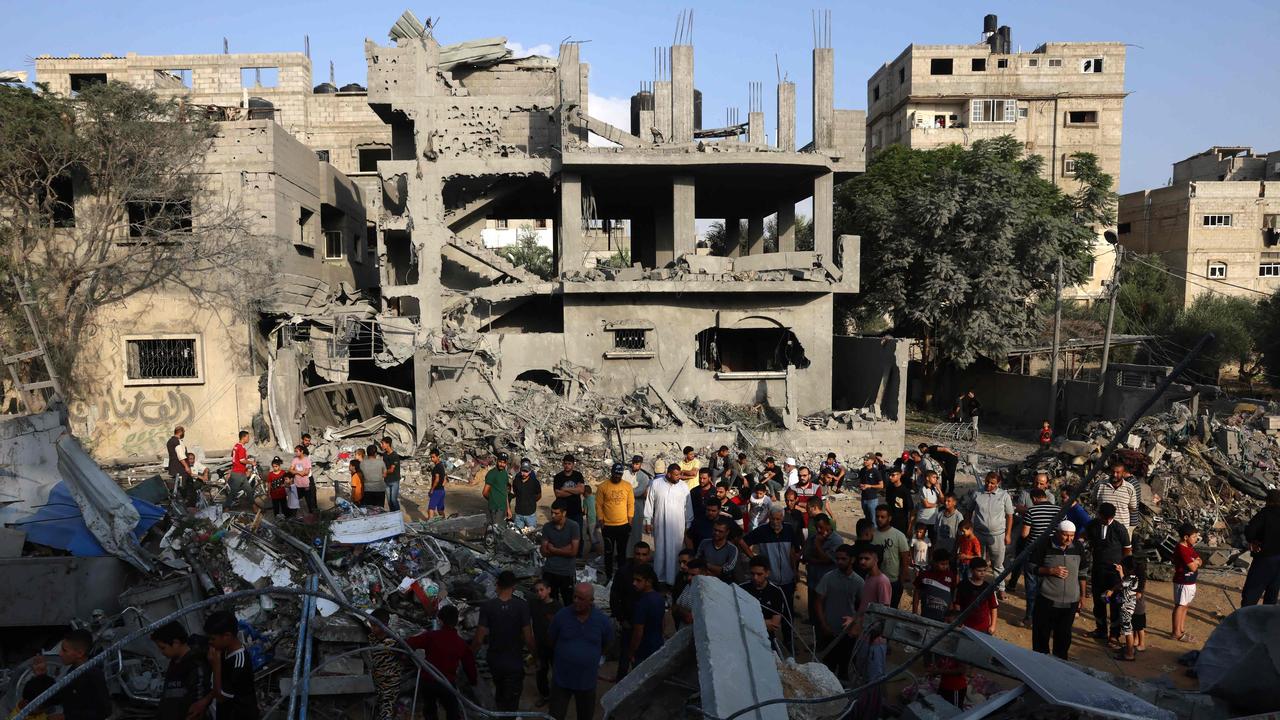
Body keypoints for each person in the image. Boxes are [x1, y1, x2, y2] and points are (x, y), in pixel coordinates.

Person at [548, 583, 613, 720]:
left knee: (585, 715)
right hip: (562, 680)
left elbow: (607, 644)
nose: (576, 601)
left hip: (586, 681)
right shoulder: (562, 616)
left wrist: (592, 657)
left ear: (591, 600)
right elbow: (551, 640)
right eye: (575, 597)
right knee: (555, 715)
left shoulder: (602, 621)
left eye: (581, 598)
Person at [474, 571, 534, 712]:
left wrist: (469, 657)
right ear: (514, 586)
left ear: (498, 585)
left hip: (494, 661)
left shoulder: (488, 606)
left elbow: (478, 639)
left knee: (500, 694)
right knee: (512, 701)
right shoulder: (522, 606)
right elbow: (529, 638)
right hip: (514, 662)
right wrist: (536, 657)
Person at [739, 507, 802, 641]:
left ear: (783, 518)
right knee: (768, 611)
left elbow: (793, 551)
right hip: (769, 581)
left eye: (778, 519)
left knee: (788, 612)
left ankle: (788, 641)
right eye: (773, 518)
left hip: (787, 579)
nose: (775, 521)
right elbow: (742, 542)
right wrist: (754, 559)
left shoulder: (789, 530)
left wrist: (795, 571)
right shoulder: (762, 531)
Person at [407, 605, 477, 720]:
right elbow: (470, 666)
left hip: (428, 681)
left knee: (430, 711)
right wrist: (473, 681)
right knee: (452, 711)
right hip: (447, 684)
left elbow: (410, 643)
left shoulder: (431, 636)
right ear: (456, 622)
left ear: (440, 621)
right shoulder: (461, 643)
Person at [1030, 520, 1087, 660]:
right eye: (1065, 535)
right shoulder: (1044, 545)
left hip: (1070, 602)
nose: (1069, 539)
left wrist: (1082, 595)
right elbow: (1031, 567)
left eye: (1072, 535)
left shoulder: (1078, 547)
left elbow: (1083, 572)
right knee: (1041, 635)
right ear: (1057, 533)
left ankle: (1060, 666)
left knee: (1063, 637)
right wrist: (1049, 570)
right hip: (1046, 599)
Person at [29, 628, 111, 720]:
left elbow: (104, 711)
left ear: (79, 653)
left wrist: (66, 717)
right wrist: (41, 676)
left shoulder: (94, 675)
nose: (60, 653)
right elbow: (60, 696)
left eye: (64, 650)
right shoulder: (73, 671)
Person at [1083, 502, 1131, 643]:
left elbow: (1127, 550)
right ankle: (1101, 630)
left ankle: (1114, 634)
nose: (1104, 519)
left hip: (1114, 574)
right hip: (1098, 570)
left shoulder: (1119, 529)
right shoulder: (1093, 525)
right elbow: (1084, 535)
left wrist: (1123, 568)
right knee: (1099, 602)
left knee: (1115, 603)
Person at [853, 544, 892, 716]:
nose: (862, 561)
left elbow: (884, 614)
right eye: (860, 558)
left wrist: (872, 636)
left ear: (876, 559)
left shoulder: (882, 581)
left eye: (866, 558)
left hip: (874, 640)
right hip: (864, 635)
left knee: (873, 681)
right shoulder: (868, 578)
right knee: (863, 677)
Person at [815, 545, 864, 676]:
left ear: (852, 560)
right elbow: (818, 602)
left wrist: (856, 625)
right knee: (827, 670)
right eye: (837, 559)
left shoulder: (859, 582)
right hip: (829, 631)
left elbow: (864, 607)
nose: (840, 561)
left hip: (847, 634)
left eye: (844, 559)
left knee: (845, 669)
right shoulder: (828, 577)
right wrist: (824, 625)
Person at [963, 472, 1014, 598]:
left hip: (998, 535)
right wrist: (969, 529)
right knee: (977, 561)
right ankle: (974, 585)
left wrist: (1008, 534)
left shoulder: (1004, 495)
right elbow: (969, 510)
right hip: (979, 534)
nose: (989, 485)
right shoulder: (977, 494)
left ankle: (1000, 588)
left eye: (992, 483)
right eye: (987, 482)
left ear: (998, 484)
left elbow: (1010, 515)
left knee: (998, 563)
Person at [203, 610, 260, 719]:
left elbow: (221, 697)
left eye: (212, 639)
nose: (209, 642)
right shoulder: (223, 650)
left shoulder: (239, 664)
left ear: (227, 636)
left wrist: (216, 665)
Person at [644, 463, 693, 586]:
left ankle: (674, 581)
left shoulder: (683, 487)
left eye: (680, 474)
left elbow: (688, 508)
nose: (679, 477)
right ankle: (659, 580)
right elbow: (649, 503)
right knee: (660, 551)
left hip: (678, 527)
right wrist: (647, 521)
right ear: (669, 474)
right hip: (660, 525)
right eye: (676, 475)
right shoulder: (656, 484)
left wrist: (688, 525)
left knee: (676, 552)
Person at [151, 622, 211, 720]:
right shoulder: (174, 662)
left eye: (163, 648)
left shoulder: (195, 664)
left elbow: (197, 705)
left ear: (176, 643)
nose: (161, 652)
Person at [610, 542, 653, 678]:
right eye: (638, 554)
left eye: (644, 555)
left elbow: (655, 593)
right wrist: (621, 619)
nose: (640, 558)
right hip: (628, 622)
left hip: (645, 624)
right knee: (625, 658)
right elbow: (614, 597)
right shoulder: (623, 573)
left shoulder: (650, 572)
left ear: (648, 556)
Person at [1019, 488, 1059, 626]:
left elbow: (1024, 534)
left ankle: (1030, 617)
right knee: (1050, 587)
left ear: (1034, 499)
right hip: (1053, 553)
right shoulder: (1059, 510)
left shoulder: (1031, 511)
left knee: (1032, 586)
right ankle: (1049, 619)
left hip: (1034, 553)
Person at [740, 557, 792, 653]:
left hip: (767, 638)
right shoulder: (741, 589)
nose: (755, 577)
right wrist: (765, 622)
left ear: (767, 573)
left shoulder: (776, 592)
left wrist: (746, 621)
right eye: (752, 574)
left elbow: (774, 625)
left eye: (759, 574)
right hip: (744, 637)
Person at [1242, 489, 1280, 606]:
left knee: (1252, 593)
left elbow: (1250, 531)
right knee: (1272, 594)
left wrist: (1253, 541)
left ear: (1268, 501)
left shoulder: (1265, 514)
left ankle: (1245, 621)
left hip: (1265, 558)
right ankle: (1266, 622)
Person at [597, 462, 634, 581]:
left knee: (622, 553)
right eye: (615, 474)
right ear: (611, 473)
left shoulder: (627, 486)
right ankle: (609, 576)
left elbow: (630, 504)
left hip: (623, 525)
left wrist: (630, 521)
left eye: (620, 474)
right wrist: (601, 522)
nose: (617, 476)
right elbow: (598, 505)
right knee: (608, 552)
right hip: (608, 526)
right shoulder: (603, 487)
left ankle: (621, 576)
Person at [541, 500, 581, 606]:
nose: (553, 516)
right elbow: (544, 551)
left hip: (566, 572)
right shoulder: (547, 527)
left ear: (564, 513)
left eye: (556, 513)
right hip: (550, 571)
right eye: (552, 513)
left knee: (569, 603)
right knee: (550, 604)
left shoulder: (573, 526)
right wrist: (565, 549)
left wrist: (554, 549)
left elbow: (573, 552)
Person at [871, 506, 911, 608]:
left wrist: (902, 579)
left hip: (893, 581)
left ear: (889, 518)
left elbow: (905, 559)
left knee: (891, 610)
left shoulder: (898, 535)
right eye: (877, 516)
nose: (879, 519)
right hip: (875, 579)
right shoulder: (871, 534)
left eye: (882, 517)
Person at [804, 515, 842, 623]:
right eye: (817, 528)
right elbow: (806, 556)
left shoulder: (836, 540)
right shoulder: (813, 537)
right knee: (812, 605)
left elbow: (827, 560)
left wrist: (817, 545)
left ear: (828, 526)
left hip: (826, 581)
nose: (819, 530)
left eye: (821, 527)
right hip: (813, 578)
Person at [529, 580, 560, 707]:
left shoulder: (557, 606)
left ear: (549, 590)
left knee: (557, 672)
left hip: (555, 646)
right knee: (541, 672)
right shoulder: (534, 605)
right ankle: (545, 695)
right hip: (540, 645)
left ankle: (558, 696)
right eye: (537, 591)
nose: (539, 593)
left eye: (542, 590)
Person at [366, 608, 401, 720]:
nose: (372, 628)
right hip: (377, 682)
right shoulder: (372, 638)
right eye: (371, 625)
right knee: (378, 709)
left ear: (384, 625)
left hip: (390, 683)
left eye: (374, 626)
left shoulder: (394, 641)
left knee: (387, 710)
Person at [627, 565, 666, 667]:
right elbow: (663, 623)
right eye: (634, 579)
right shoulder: (659, 598)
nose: (634, 583)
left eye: (638, 580)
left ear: (648, 582)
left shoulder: (642, 603)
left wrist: (631, 652)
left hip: (643, 650)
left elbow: (638, 632)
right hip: (657, 645)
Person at [1171, 522, 1202, 642]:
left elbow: (1200, 560)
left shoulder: (1189, 547)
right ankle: (1176, 632)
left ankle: (1181, 629)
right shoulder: (1181, 549)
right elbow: (1193, 567)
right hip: (1183, 582)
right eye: (1194, 536)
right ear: (1186, 537)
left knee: (1185, 606)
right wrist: (1195, 562)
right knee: (1180, 606)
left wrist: (1195, 562)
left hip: (1189, 582)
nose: (1196, 539)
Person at [1109, 556, 1142, 662]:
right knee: (1129, 629)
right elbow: (1124, 582)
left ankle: (1129, 653)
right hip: (1130, 606)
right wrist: (1121, 571)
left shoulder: (1130, 578)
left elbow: (1121, 584)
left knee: (1128, 631)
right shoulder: (1135, 577)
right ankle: (1129, 650)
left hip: (1126, 607)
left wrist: (1111, 590)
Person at [913, 548, 956, 622]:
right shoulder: (924, 575)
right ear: (934, 562)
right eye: (942, 564)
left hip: (943, 620)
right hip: (925, 617)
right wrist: (914, 612)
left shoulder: (951, 577)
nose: (945, 566)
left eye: (947, 564)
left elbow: (951, 597)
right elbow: (916, 593)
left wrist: (950, 617)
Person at [1096, 460, 1139, 533]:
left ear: (1123, 473)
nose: (1115, 475)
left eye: (1118, 472)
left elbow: (1132, 508)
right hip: (1103, 528)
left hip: (1122, 530)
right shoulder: (1100, 485)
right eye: (1113, 472)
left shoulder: (1130, 488)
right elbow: (1094, 503)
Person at [623, 455, 652, 558]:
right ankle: (623, 555)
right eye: (634, 463)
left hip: (637, 507)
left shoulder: (644, 477)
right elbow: (621, 488)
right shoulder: (625, 473)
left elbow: (640, 492)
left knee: (635, 532)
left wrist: (627, 492)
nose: (635, 465)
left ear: (640, 464)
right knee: (624, 532)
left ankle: (635, 556)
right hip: (624, 507)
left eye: (637, 464)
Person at [553, 454, 587, 538]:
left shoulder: (578, 475)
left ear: (573, 464)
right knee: (564, 536)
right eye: (565, 463)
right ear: (563, 464)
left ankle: (579, 551)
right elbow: (558, 493)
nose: (567, 466)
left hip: (577, 512)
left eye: (569, 463)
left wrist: (565, 489)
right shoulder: (558, 477)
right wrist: (575, 490)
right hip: (563, 512)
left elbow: (581, 490)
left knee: (578, 536)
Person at [697, 519, 740, 583]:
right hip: (703, 579)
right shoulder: (704, 543)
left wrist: (707, 565)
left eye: (720, 531)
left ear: (727, 532)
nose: (716, 533)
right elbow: (697, 560)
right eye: (715, 530)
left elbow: (727, 570)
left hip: (722, 582)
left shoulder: (732, 549)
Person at [510, 459, 541, 530]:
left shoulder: (535, 482)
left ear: (530, 471)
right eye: (523, 471)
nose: (524, 473)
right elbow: (515, 493)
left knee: (532, 536)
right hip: (518, 515)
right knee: (518, 535)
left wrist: (531, 501)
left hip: (530, 515)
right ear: (520, 470)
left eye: (526, 471)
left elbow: (539, 495)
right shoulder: (516, 481)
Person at [482, 453, 512, 526]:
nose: (501, 464)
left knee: (502, 529)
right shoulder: (492, 474)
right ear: (497, 461)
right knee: (496, 530)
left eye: (504, 462)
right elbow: (485, 492)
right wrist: (493, 500)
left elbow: (505, 492)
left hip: (503, 508)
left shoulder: (504, 473)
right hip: (495, 509)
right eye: (500, 462)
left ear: (506, 463)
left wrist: (508, 509)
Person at [227, 430, 253, 509]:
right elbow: (242, 460)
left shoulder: (236, 446)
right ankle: (226, 507)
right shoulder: (241, 448)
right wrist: (251, 462)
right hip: (238, 473)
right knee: (233, 492)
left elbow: (234, 456)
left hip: (240, 472)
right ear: (244, 437)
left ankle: (254, 506)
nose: (249, 439)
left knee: (249, 490)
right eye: (248, 437)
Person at [288, 444, 315, 514]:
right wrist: (298, 472)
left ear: (302, 451)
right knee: (296, 500)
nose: (296, 453)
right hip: (297, 484)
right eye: (295, 451)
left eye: (297, 451)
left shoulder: (307, 460)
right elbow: (290, 470)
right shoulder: (295, 459)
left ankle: (312, 514)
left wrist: (295, 471)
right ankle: (294, 515)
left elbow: (306, 472)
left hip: (305, 484)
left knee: (308, 500)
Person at [856, 455, 884, 522]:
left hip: (872, 499)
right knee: (867, 519)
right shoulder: (862, 470)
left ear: (872, 461)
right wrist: (860, 485)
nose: (865, 461)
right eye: (864, 459)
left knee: (873, 519)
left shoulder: (875, 471)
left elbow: (881, 485)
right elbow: (861, 481)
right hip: (864, 498)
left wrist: (870, 486)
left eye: (867, 460)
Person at [954, 520, 982, 584]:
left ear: (970, 529)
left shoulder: (975, 541)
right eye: (961, 531)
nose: (962, 533)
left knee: (969, 582)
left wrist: (966, 556)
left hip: (969, 566)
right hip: (961, 563)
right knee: (961, 581)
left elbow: (978, 556)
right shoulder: (963, 538)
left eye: (963, 531)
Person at [379, 437, 402, 513]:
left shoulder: (395, 455)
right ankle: (393, 515)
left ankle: (398, 515)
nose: (381, 445)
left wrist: (383, 473)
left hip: (394, 480)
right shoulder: (385, 455)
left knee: (393, 500)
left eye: (383, 443)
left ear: (388, 444)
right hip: (387, 480)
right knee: (389, 500)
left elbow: (392, 469)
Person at [916, 471, 941, 541]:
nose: (936, 479)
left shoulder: (935, 488)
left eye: (936, 478)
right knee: (921, 542)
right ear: (927, 478)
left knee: (932, 541)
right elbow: (926, 504)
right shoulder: (923, 489)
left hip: (933, 520)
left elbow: (942, 500)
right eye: (934, 477)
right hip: (923, 520)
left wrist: (939, 489)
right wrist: (937, 505)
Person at [166, 425, 191, 493]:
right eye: (183, 432)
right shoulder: (177, 441)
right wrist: (186, 466)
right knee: (182, 487)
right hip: (180, 468)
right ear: (180, 432)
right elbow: (180, 455)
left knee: (176, 486)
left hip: (173, 467)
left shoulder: (170, 441)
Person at [427, 447, 448, 519]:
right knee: (440, 509)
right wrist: (443, 485)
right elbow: (445, 477)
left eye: (433, 457)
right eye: (431, 457)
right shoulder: (441, 466)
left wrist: (432, 489)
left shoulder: (436, 467)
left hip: (437, 491)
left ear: (438, 457)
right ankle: (445, 522)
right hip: (442, 491)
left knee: (431, 508)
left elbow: (437, 479)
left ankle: (430, 526)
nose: (432, 459)